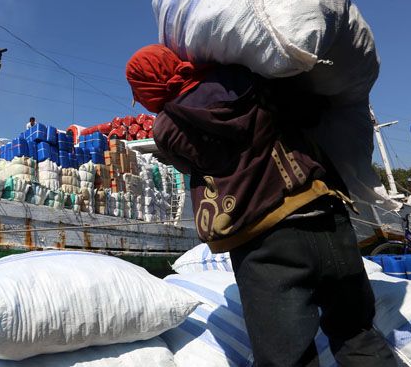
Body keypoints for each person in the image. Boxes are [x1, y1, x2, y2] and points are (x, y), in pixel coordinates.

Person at [126, 44, 396, 366]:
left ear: (148, 89)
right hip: (326, 215)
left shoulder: (167, 128)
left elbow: (197, 164)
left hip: (265, 241)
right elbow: (308, 111)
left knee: (286, 357)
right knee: (356, 333)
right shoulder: (245, 78)